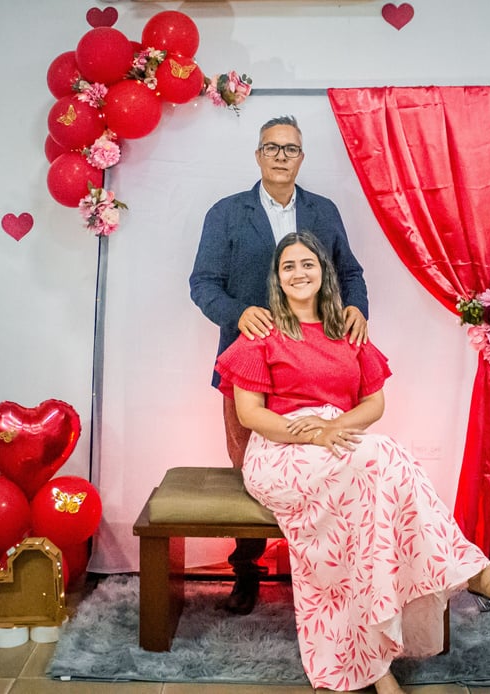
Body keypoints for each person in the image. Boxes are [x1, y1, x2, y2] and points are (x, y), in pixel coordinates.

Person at [214, 231, 490, 694]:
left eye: (307, 264)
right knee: (384, 454)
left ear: (324, 272)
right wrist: (316, 431)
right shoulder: (261, 334)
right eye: (288, 266)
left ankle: (375, 665)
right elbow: (251, 415)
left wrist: (334, 427)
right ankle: (474, 572)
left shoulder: (348, 331)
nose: (299, 273)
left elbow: (374, 404)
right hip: (281, 449)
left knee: (370, 511)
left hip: (342, 444)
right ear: (277, 278)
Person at [189, 115, 369, 615]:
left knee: (327, 462)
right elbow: (202, 283)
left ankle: (329, 572)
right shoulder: (227, 213)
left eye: (290, 148)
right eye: (272, 147)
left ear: (302, 157)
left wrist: (357, 308)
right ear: (258, 155)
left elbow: (351, 273)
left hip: (316, 365)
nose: (281, 156)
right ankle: (246, 572)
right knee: (250, 468)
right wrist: (237, 313)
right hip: (249, 364)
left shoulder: (324, 211)